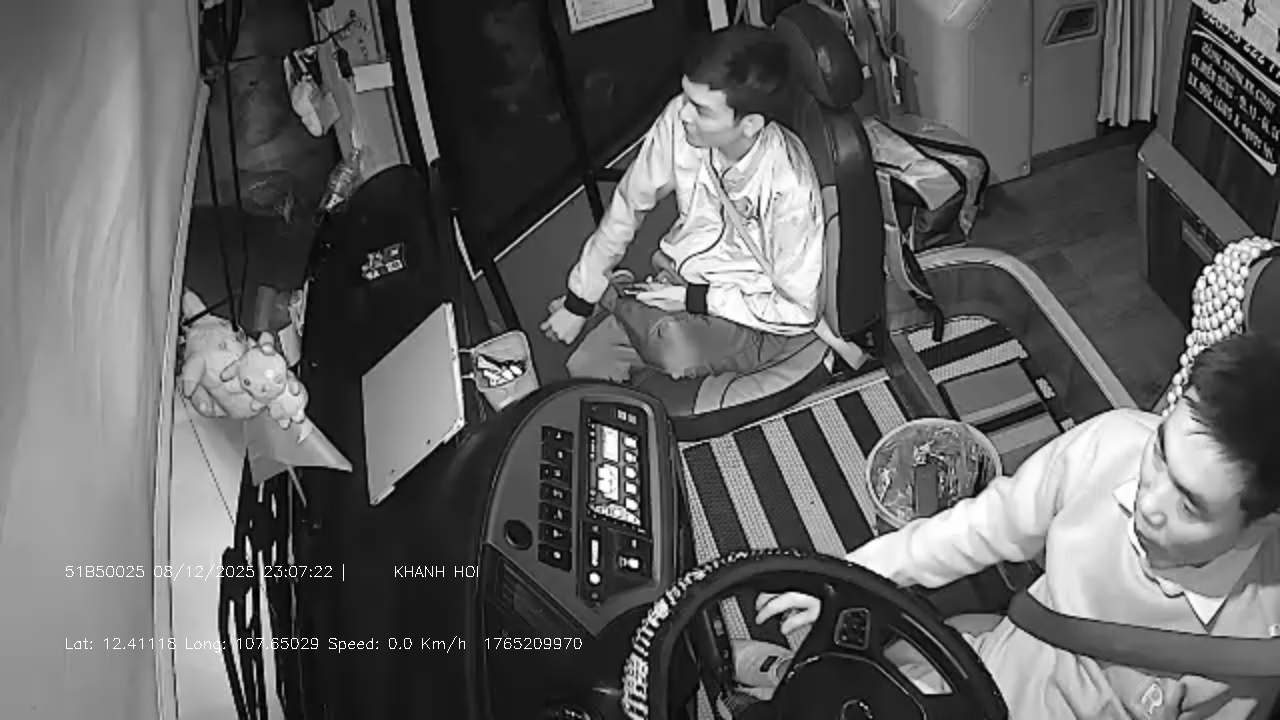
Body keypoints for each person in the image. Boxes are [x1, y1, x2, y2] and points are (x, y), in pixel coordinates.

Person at [753, 331, 1280, 718]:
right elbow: (986, 525)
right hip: (993, 662)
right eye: (1161, 452)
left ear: (1259, 525)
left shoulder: (1254, 646)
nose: (1149, 502)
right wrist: (853, 577)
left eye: (1190, 505)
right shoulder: (1111, 445)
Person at [539, 24, 865, 381]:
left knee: (673, 349)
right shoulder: (680, 120)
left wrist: (693, 299)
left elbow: (798, 312)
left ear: (750, 124)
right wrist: (579, 298)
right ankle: (623, 300)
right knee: (585, 367)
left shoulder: (788, 186)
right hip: (680, 276)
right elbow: (628, 205)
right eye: (685, 98)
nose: (683, 115)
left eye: (701, 110)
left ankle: (615, 296)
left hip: (749, 311)